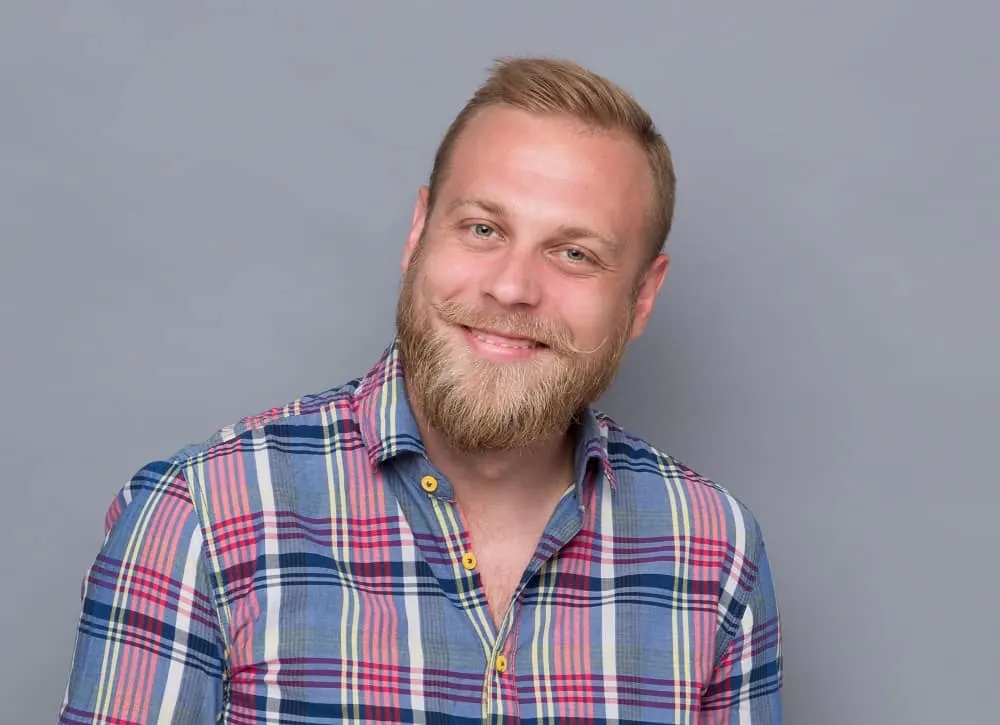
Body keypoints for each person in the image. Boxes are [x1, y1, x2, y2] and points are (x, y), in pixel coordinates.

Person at [59, 56, 782, 723]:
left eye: (573, 252)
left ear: (643, 296)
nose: (511, 286)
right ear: (418, 231)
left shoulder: (711, 552)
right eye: (482, 227)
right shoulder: (199, 521)